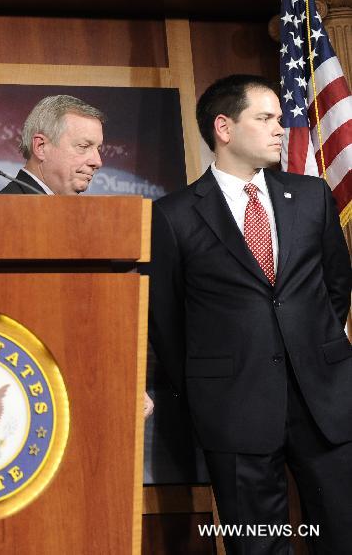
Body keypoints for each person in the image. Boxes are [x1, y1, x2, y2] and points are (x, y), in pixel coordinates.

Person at [147, 74, 352, 553]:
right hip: (233, 409)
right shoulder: (173, 215)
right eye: (264, 118)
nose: (280, 128)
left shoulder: (311, 195)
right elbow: (168, 322)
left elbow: (336, 286)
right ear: (224, 127)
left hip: (325, 401)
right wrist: (207, 389)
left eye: (280, 118)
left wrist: (314, 349)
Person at [0, 94, 104, 195]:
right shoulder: (1, 210)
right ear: (41, 147)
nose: (98, 162)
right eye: (83, 146)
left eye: (98, 149)